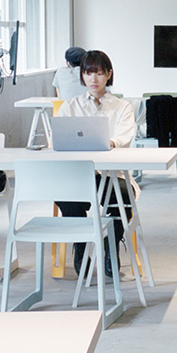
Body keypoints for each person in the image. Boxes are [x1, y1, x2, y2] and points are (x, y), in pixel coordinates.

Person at [57, 49, 135, 273]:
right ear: (82, 75)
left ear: (108, 74)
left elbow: (123, 137)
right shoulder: (70, 106)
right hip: (78, 174)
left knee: (123, 196)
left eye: (99, 73)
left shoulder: (122, 107)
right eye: (88, 73)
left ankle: (111, 247)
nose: (93, 79)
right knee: (66, 196)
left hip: (110, 174)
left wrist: (109, 142)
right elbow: (59, 138)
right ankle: (81, 249)